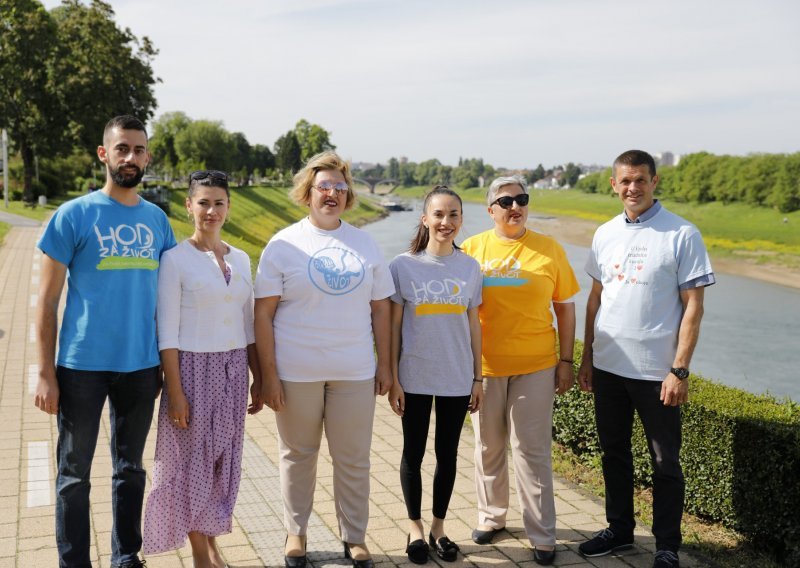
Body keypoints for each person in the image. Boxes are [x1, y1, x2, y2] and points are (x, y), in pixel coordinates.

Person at [34, 115, 177, 568]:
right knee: (73, 475)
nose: (130, 157)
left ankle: (125, 554)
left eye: (138, 150)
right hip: (81, 366)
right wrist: (44, 372)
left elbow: (170, 302)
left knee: (130, 469)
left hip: (140, 365)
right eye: (122, 149)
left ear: (147, 156)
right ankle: (74, 561)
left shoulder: (157, 221)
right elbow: (46, 301)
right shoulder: (74, 215)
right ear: (104, 154)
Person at [254, 151, 394, 568]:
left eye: (339, 187)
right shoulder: (283, 244)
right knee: (297, 455)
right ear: (308, 192)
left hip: (354, 370)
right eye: (323, 187)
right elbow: (262, 313)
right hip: (296, 371)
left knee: (353, 457)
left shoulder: (364, 242)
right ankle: (295, 533)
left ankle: (355, 537)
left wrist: (385, 365)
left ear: (348, 194)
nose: (331, 194)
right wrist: (268, 375)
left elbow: (381, 308)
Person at [577, 150, 714, 568]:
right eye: (624, 181)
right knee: (613, 452)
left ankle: (667, 545)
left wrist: (679, 369)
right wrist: (587, 356)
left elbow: (693, 307)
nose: (632, 188)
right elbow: (596, 299)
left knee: (665, 462)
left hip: (657, 373)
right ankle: (619, 530)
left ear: (654, 182)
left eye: (640, 180)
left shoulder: (682, 234)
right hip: (608, 367)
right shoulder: (604, 233)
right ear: (614, 186)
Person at [142, 170, 263, 567]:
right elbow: (168, 334)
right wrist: (175, 391)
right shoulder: (175, 260)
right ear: (188, 206)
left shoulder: (242, 258)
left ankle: (211, 544)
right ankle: (200, 555)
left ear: (228, 207)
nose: (211, 211)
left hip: (233, 369)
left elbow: (248, 325)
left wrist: (258, 378)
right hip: (192, 371)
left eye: (219, 203)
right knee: (192, 463)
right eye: (204, 202)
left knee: (221, 461)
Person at [461, 174, 579, 566]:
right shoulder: (471, 249)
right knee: (488, 446)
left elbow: (564, 307)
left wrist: (566, 361)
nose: (515, 207)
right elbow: (458, 310)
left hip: (536, 366)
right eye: (506, 201)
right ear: (491, 209)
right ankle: (491, 516)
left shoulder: (549, 250)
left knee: (531, 451)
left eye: (521, 200)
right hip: (485, 369)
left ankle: (542, 533)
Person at [387, 186, 483, 564]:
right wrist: (392, 377)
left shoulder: (470, 266)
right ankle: (414, 528)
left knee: (448, 453)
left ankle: (439, 527)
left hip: (457, 377)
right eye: (439, 214)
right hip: (413, 375)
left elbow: (474, 324)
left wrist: (478, 378)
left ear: (461, 219)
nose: (446, 222)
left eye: (454, 215)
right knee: (413, 452)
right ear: (425, 218)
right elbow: (393, 326)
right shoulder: (402, 265)